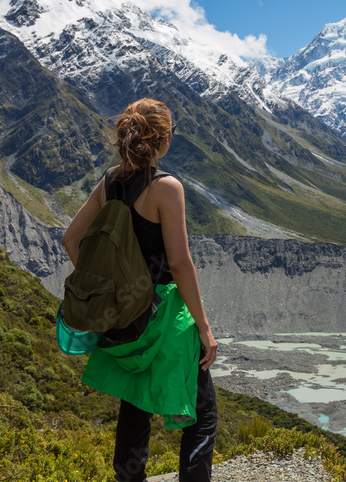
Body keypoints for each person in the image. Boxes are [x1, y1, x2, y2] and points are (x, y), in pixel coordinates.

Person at [61, 98, 218, 482]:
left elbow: (71, 240)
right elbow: (179, 265)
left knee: (134, 404)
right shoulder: (167, 188)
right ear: (163, 140)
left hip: (122, 321)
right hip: (162, 317)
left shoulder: (109, 182)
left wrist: (113, 290)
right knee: (202, 413)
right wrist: (204, 328)